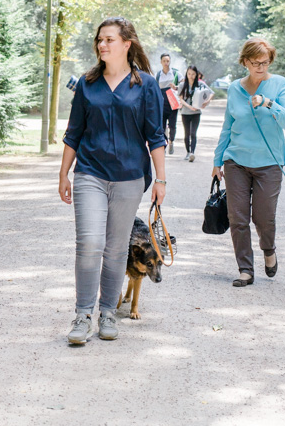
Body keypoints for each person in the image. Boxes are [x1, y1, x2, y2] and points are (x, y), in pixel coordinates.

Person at [59, 17, 167, 344]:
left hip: (130, 178)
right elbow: (73, 132)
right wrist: (63, 172)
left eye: (109, 39)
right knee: (90, 244)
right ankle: (82, 315)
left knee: (117, 248)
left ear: (126, 44)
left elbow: (156, 135)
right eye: (99, 40)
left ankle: (108, 311)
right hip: (89, 173)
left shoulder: (146, 85)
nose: (102, 45)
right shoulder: (87, 83)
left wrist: (161, 179)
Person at [212, 38, 285, 287]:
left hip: (268, 164)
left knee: (264, 218)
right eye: (255, 62)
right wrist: (217, 161)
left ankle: (269, 250)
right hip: (236, 161)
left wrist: (269, 103)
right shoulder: (234, 89)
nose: (261, 67)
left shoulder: (280, 85)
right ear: (245, 62)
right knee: (238, 218)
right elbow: (227, 126)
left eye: (265, 62)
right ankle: (245, 270)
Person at [177, 65, 213, 162]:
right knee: (186, 134)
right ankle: (188, 152)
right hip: (185, 113)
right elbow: (180, 99)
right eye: (189, 74)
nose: (191, 76)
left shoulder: (200, 84)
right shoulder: (182, 85)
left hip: (196, 113)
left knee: (193, 133)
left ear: (196, 74)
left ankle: (192, 152)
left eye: (193, 74)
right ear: (186, 74)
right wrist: (189, 107)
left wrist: (206, 102)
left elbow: (211, 93)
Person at [156, 53, 180, 155]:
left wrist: (176, 87)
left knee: (172, 125)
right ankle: (164, 144)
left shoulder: (176, 73)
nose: (166, 63)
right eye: (164, 61)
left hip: (173, 103)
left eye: (168, 61)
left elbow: (183, 86)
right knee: (162, 126)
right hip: (162, 103)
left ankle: (171, 142)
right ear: (161, 62)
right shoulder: (158, 75)